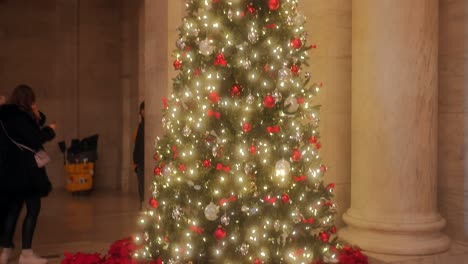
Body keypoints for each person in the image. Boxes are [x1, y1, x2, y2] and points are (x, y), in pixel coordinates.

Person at [0, 85, 56, 264]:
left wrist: (37, 114)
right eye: (33, 100)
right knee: (33, 209)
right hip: (26, 172)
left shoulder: (6, 116)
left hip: (10, 171)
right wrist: (51, 130)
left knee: (13, 211)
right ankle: (26, 253)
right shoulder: (20, 117)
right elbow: (36, 137)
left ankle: (5, 251)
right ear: (28, 100)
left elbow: (32, 127)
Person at [133, 101, 145, 210]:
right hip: (140, 160)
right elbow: (137, 144)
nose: (143, 112)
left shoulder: (146, 127)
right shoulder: (140, 126)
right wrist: (135, 161)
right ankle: (142, 201)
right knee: (141, 183)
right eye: (142, 110)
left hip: (146, 159)